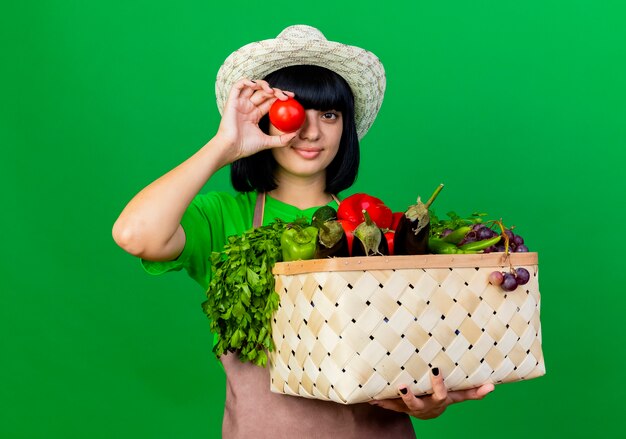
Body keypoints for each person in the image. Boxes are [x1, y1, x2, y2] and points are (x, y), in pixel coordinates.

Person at [112, 24, 494, 438]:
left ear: (345, 126)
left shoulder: (377, 226)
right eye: (293, 112)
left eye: (329, 115)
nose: (311, 132)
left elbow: (411, 348)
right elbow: (135, 234)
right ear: (265, 118)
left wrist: (426, 400)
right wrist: (224, 145)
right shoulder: (222, 217)